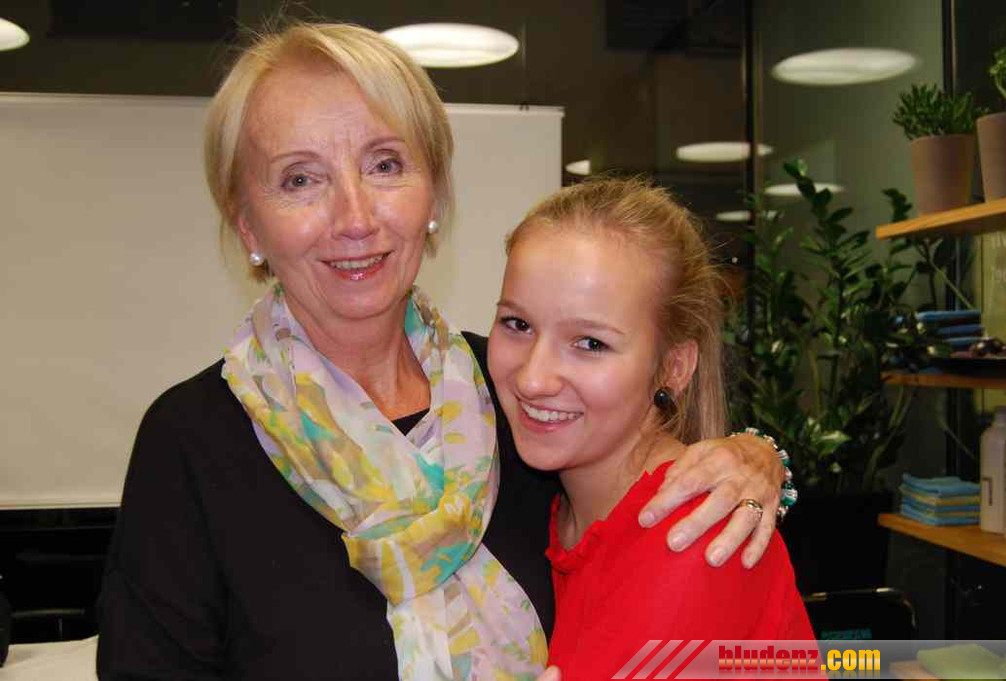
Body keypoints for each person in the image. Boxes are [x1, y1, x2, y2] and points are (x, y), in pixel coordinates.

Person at [96, 21, 790, 681]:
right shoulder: (192, 443)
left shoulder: (517, 399)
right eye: (301, 179)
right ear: (248, 223)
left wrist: (758, 460)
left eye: (385, 164)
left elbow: (662, 537)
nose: (355, 218)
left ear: (433, 194)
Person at [487, 177, 815, 680]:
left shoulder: (695, 541)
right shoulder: (540, 499)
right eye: (517, 324)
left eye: (590, 343)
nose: (533, 379)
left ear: (674, 367)